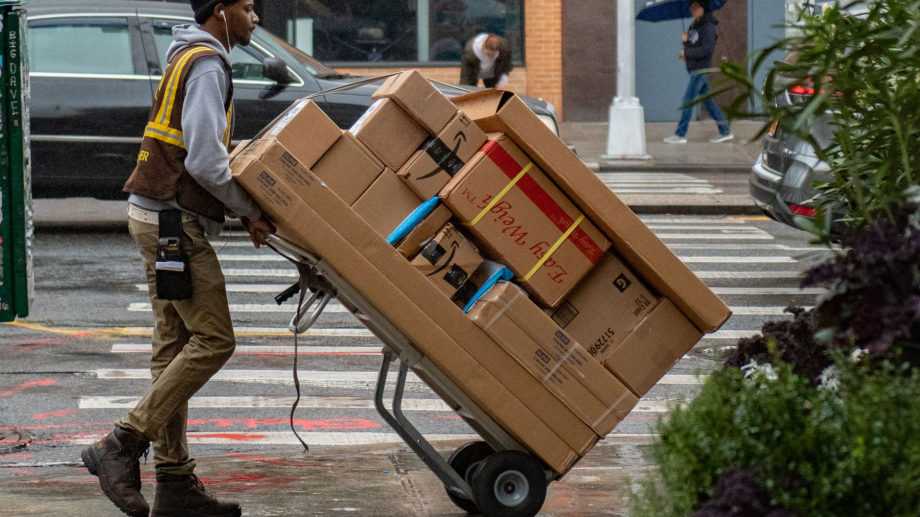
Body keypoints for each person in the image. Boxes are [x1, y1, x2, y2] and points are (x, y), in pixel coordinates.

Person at [81, 1, 274, 516]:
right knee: (214, 339)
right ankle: (121, 443)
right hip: (174, 222)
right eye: (249, 7)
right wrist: (251, 211)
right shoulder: (208, 64)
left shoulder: (185, 54)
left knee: (173, 347)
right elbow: (208, 163)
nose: (255, 18)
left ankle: (175, 483)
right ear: (221, 11)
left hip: (153, 217)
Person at [664, 0, 734, 144]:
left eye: (696, 8)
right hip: (694, 68)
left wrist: (687, 52)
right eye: (691, 8)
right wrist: (685, 43)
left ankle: (680, 134)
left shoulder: (708, 27)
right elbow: (692, 45)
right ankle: (725, 131)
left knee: (688, 101)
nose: (692, 10)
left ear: (703, 8)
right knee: (709, 103)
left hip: (700, 69)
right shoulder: (695, 24)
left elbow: (706, 50)